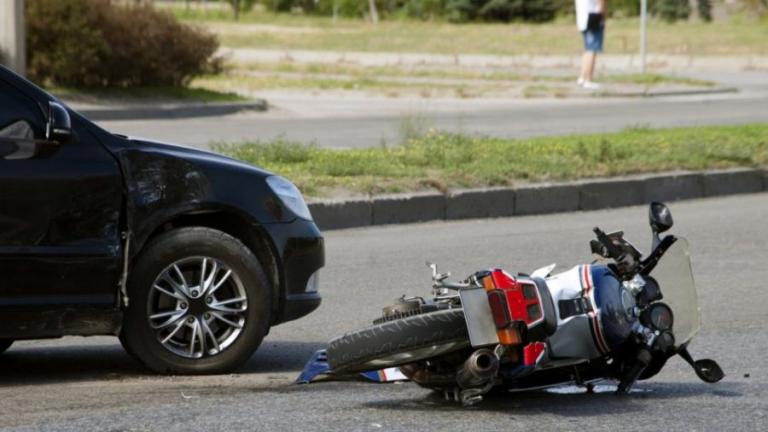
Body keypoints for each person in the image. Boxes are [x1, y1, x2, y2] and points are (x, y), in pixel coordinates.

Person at [575, 0, 606, 89]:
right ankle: (588, 79)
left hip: (582, 18)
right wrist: (603, 16)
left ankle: (582, 77)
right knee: (592, 49)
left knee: (587, 49)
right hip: (593, 17)